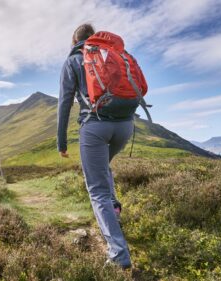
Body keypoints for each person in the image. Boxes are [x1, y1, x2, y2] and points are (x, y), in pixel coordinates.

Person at [57, 23, 134, 269]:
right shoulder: (110, 55)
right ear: (94, 39)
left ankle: (118, 256)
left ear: (74, 41)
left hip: (95, 127)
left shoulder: (73, 61)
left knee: (96, 190)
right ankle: (114, 207)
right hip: (125, 126)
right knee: (103, 170)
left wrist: (61, 142)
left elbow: (65, 104)